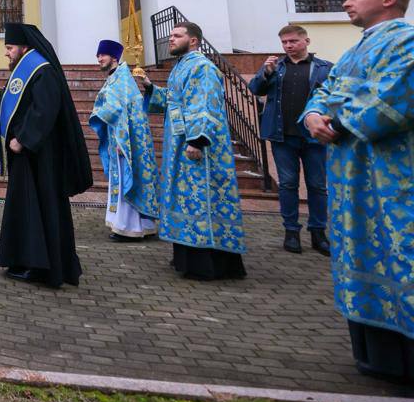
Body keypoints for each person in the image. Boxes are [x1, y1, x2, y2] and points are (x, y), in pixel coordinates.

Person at [301, 0, 414, 383]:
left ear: (387, 0)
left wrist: (335, 117)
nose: (345, 3)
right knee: (364, 250)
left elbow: (392, 98)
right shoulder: (353, 51)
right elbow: (324, 89)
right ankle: (378, 356)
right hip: (352, 176)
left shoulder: (406, 42)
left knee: (399, 252)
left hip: (392, 178)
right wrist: (313, 114)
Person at [0, 23, 91, 289]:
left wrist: (24, 140)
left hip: (40, 158)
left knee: (39, 209)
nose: (6, 53)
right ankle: (26, 260)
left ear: (24, 47)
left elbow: (44, 110)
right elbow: (18, 102)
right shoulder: (26, 71)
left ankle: (40, 267)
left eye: (9, 48)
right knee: (27, 208)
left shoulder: (42, 71)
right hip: (28, 157)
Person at [137, 22, 247, 281]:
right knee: (184, 198)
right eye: (171, 35)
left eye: (177, 35)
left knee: (201, 198)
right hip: (180, 144)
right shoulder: (182, 66)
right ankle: (186, 256)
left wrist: (197, 140)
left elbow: (204, 103)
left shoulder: (202, 67)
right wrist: (151, 89)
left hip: (198, 147)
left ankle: (209, 263)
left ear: (194, 40)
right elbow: (175, 101)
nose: (170, 40)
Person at [249, 25, 332, 254]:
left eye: (293, 41)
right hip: (282, 135)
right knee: (287, 184)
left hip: (314, 138)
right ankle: (291, 232)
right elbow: (255, 89)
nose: (288, 46)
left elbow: (333, 98)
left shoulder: (324, 68)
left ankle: (318, 232)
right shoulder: (277, 67)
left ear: (307, 41)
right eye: (285, 42)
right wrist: (266, 72)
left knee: (317, 185)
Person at [89, 39, 159, 241]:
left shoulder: (122, 79)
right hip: (116, 139)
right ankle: (139, 225)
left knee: (126, 178)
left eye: (102, 55)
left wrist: (122, 141)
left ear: (114, 57)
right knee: (124, 179)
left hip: (123, 141)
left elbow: (119, 111)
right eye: (98, 55)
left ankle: (129, 227)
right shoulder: (116, 78)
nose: (99, 59)